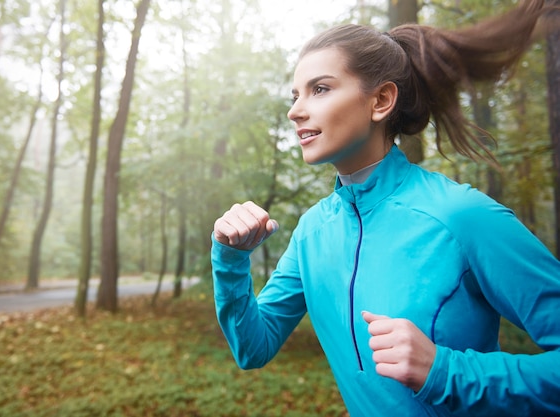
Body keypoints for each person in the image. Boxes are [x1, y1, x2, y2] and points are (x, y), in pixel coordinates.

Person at [210, 0, 560, 416]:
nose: (294, 110)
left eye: (319, 89)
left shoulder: (462, 216)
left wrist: (446, 371)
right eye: (295, 95)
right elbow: (254, 346)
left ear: (381, 101)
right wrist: (230, 259)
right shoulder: (312, 231)